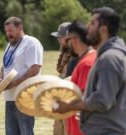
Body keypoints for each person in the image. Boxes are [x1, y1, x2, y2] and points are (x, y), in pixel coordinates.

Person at [54, 7, 126, 135]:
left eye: (92, 23)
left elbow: (101, 101)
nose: (87, 26)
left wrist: (68, 106)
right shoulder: (105, 56)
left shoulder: (109, 58)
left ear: (103, 30)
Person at [0, 17, 43, 135]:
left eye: (11, 31)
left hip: (25, 97)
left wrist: (14, 84)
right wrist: (0, 77)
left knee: (26, 132)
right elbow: (4, 66)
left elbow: (35, 69)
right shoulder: (9, 45)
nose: (8, 34)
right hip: (10, 97)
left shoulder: (31, 43)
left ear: (20, 28)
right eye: (6, 31)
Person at [63, 21, 97, 135]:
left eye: (67, 40)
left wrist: (61, 104)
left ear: (74, 39)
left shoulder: (87, 63)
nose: (67, 44)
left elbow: (87, 101)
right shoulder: (90, 58)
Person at [51, 22, 79, 135]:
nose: (58, 39)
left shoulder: (77, 56)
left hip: (70, 103)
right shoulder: (65, 54)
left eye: (61, 37)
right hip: (61, 100)